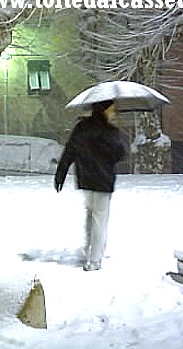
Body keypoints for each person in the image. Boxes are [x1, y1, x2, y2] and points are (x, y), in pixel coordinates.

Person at [54, 99, 126, 271]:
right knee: (99, 220)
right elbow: (120, 154)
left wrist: (60, 175)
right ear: (105, 110)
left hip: (86, 179)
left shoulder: (82, 127)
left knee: (90, 216)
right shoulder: (110, 131)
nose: (114, 112)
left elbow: (69, 151)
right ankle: (94, 260)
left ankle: (88, 251)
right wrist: (116, 132)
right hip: (103, 180)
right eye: (112, 109)